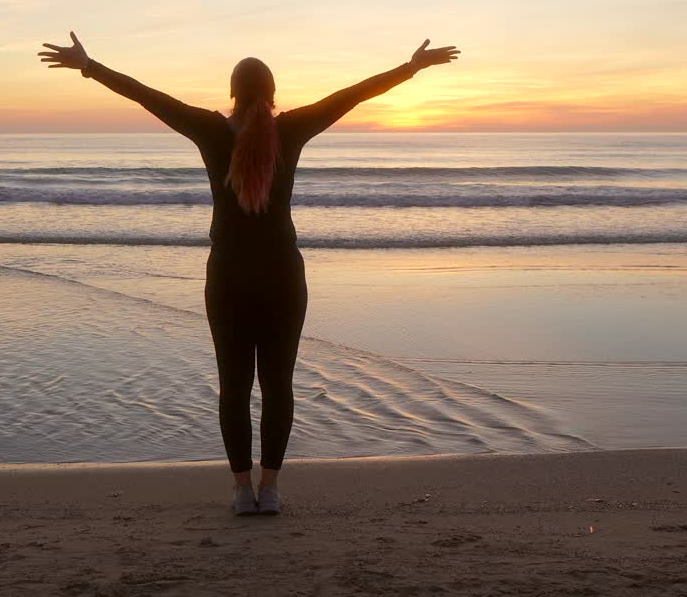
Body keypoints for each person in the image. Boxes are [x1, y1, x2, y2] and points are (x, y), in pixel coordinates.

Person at [38, 33, 459, 515]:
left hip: (228, 276)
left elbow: (146, 96)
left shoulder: (209, 130)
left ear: (232, 92)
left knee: (234, 384)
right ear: (273, 92)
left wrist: (90, 65)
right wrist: (409, 68)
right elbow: (350, 96)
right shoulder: (293, 128)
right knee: (278, 383)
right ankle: (272, 488)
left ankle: (242, 490)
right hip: (282, 274)